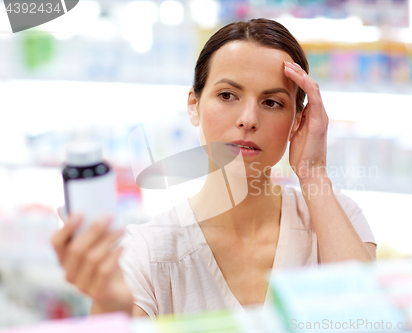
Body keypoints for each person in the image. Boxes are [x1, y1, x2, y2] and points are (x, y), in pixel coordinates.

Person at [51, 18, 377, 319]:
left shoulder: (337, 220)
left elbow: (367, 320)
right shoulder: (148, 251)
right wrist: (111, 304)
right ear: (194, 105)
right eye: (227, 95)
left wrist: (313, 174)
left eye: (272, 102)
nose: (248, 119)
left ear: (298, 121)